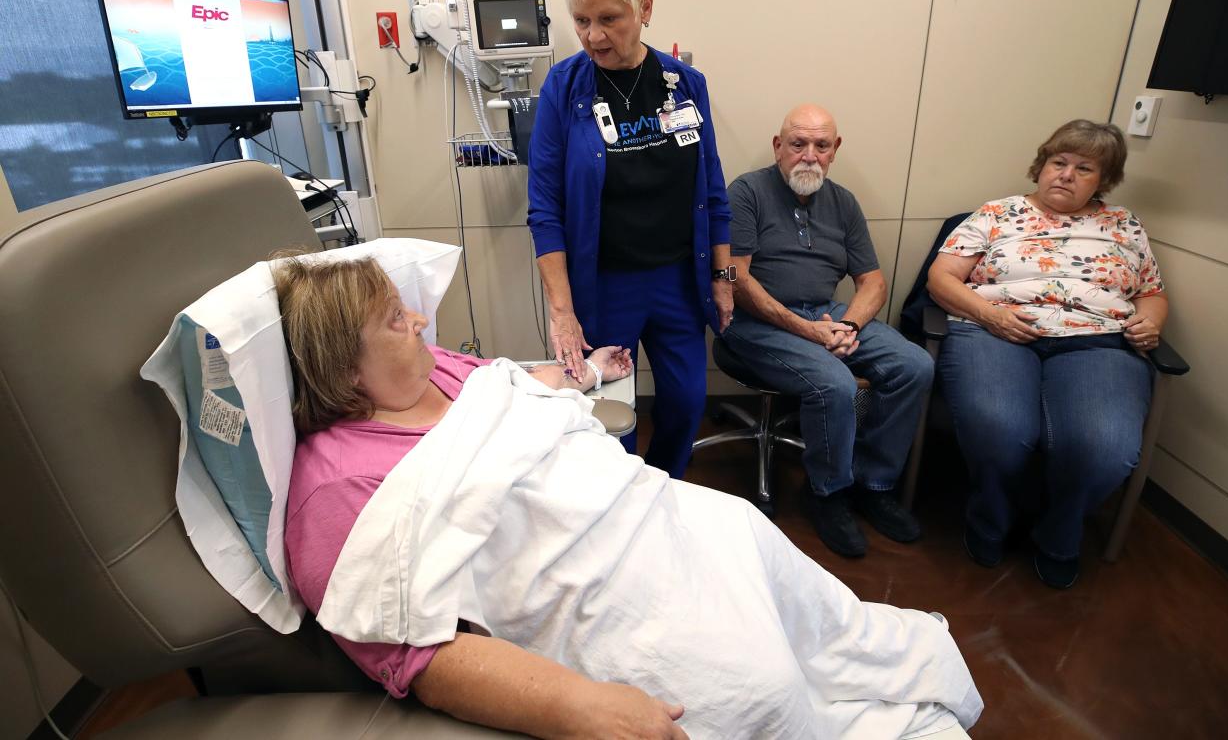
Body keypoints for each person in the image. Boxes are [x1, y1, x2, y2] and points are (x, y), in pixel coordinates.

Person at [276, 255, 982, 740]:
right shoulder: (337, 486)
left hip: (659, 513)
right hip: (596, 585)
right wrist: (581, 705)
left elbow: (511, 387)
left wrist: (582, 373)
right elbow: (417, 655)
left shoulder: (441, 374)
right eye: (397, 322)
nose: (422, 324)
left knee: (821, 613)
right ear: (346, 367)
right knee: (758, 685)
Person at [927, 119, 1167, 590]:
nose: (1066, 174)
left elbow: (1152, 293)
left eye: (1084, 168)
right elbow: (942, 279)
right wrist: (990, 315)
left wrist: (1151, 321)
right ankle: (989, 521)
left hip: (1098, 342)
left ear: (1104, 181)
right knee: (999, 431)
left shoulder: (1124, 225)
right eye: (1058, 162)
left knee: (1105, 449)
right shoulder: (998, 213)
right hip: (997, 330)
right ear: (1041, 166)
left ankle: (1060, 532)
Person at [527, 0, 732, 478]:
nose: (593, 36)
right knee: (609, 415)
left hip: (675, 281)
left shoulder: (684, 84)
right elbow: (544, 208)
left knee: (688, 401)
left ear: (644, 8)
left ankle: (663, 490)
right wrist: (563, 312)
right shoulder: (563, 88)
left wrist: (722, 273)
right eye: (581, 20)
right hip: (605, 283)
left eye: (609, 19)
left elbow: (711, 186)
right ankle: (616, 506)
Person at [723, 104, 932, 559]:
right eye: (798, 144)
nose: (809, 156)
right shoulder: (747, 192)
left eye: (821, 145)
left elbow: (872, 282)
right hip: (756, 322)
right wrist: (809, 332)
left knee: (915, 365)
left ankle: (874, 484)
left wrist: (848, 325)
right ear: (779, 146)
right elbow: (736, 280)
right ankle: (829, 493)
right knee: (835, 384)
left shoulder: (843, 202)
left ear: (835, 150)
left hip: (827, 312)